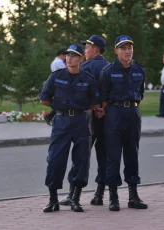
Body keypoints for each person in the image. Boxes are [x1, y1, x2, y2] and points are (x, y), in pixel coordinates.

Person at [39, 44, 100, 213]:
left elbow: (95, 103)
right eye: (67, 55)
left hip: (81, 121)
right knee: (55, 159)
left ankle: (75, 198)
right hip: (61, 121)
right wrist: (61, 106)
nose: (69, 58)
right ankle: (53, 200)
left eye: (74, 56)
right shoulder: (56, 77)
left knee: (81, 160)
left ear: (81, 59)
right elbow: (44, 99)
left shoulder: (88, 79)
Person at [59, 35, 110, 206]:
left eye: (87, 47)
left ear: (95, 49)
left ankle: (73, 194)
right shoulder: (109, 67)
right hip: (107, 118)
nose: (85, 50)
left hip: (88, 118)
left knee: (81, 157)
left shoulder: (85, 67)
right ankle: (99, 194)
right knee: (104, 156)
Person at [99, 35, 148, 211]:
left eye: (130, 47)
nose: (128, 51)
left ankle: (133, 196)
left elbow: (140, 94)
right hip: (114, 114)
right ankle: (113, 197)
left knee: (132, 155)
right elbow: (103, 96)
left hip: (133, 114)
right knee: (113, 156)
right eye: (124, 48)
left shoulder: (139, 69)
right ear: (116, 51)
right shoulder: (108, 71)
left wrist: (132, 107)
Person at [45, 49, 68, 125]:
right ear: (61, 55)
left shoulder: (54, 62)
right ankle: (49, 116)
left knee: (60, 101)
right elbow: (66, 72)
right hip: (62, 84)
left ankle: (49, 116)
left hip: (56, 83)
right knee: (62, 101)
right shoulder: (60, 63)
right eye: (65, 55)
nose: (66, 57)